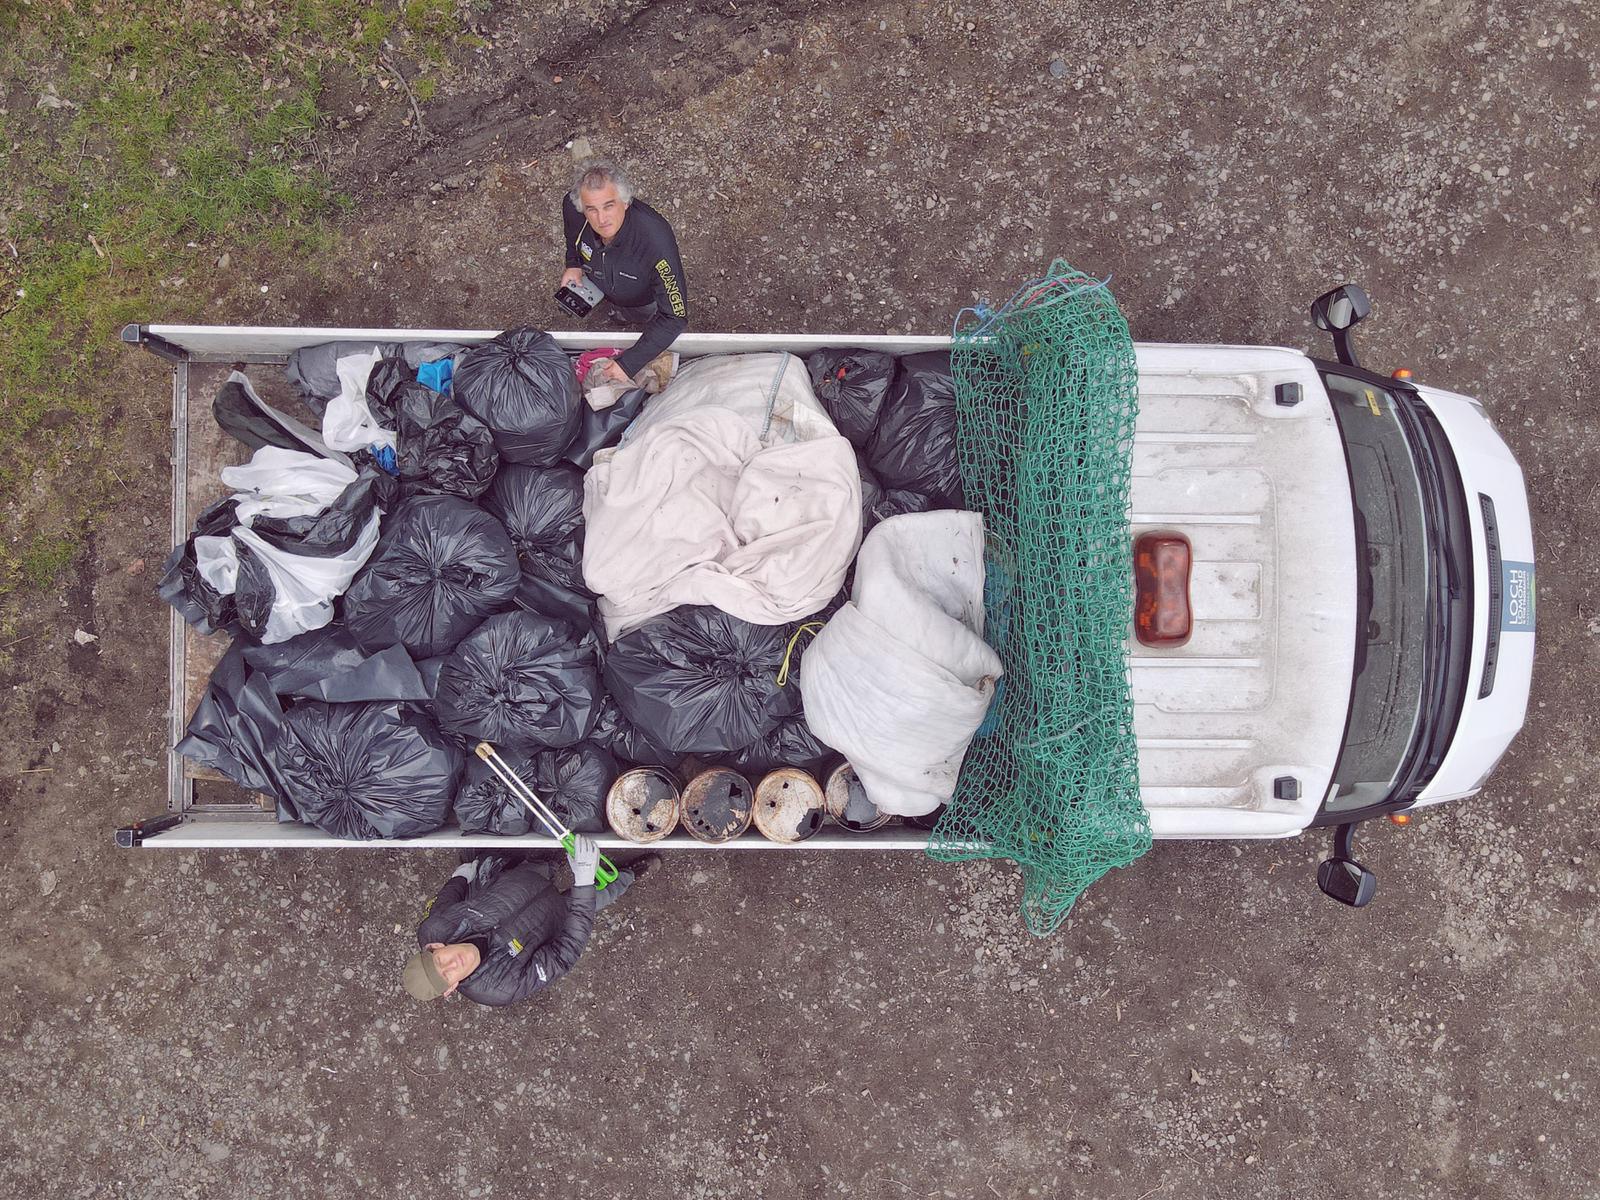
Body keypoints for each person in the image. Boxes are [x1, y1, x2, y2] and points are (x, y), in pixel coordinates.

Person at [402, 836, 660, 1007]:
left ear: (434, 946)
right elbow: (564, 956)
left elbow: (445, 901)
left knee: (537, 860)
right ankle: (628, 875)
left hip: (520, 882)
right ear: (451, 989)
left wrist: (460, 876)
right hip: (555, 918)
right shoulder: (501, 988)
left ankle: (550, 861)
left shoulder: (434, 927)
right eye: (447, 976)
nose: (452, 964)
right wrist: (582, 882)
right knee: (593, 898)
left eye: (440, 961)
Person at [560, 159, 688, 385]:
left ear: (625, 202)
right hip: (602, 278)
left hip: (641, 296)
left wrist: (628, 364)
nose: (601, 219)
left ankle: (630, 315)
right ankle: (616, 308)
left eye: (609, 205)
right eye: (592, 209)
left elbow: (674, 317)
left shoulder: (655, 241)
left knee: (643, 312)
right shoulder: (573, 210)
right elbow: (573, 237)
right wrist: (573, 263)